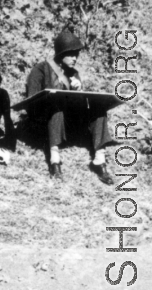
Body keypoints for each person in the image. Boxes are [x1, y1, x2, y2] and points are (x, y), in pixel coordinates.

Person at [24, 30, 115, 184]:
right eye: (71, 54)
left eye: (76, 54)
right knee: (55, 105)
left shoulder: (74, 74)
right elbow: (31, 102)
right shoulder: (41, 69)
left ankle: (100, 160)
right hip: (46, 120)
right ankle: (55, 160)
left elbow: (79, 106)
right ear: (61, 54)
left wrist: (78, 91)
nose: (75, 58)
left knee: (99, 109)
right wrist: (51, 97)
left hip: (69, 122)